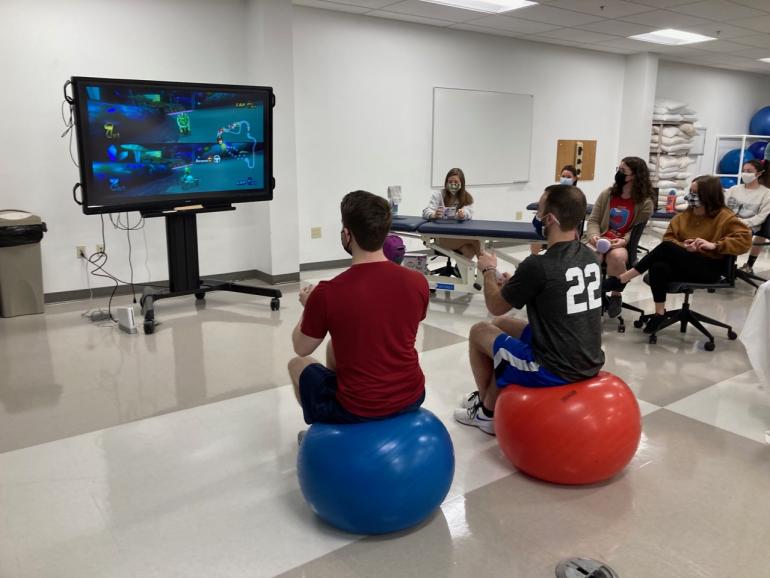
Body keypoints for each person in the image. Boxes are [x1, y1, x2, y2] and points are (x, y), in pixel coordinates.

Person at [454, 184, 605, 435]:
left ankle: (487, 412)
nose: (537, 216)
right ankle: (489, 401)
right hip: (587, 357)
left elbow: (494, 306)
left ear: (550, 219)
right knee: (503, 326)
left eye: (540, 210)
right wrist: (515, 283)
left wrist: (488, 270)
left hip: (554, 368)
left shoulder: (538, 264)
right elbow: (553, 289)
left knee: (480, 330)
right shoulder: (589, 256)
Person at [288, 190, 429, 430]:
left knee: (296, 365)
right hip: (413, 394)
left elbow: (301, 347)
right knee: (335, 346)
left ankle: (325, 429)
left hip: (359, 407)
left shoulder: (327, 292)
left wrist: (308, 306)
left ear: (346, 235)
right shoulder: (418, 281)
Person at [604, 175, 752, 334]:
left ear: (708, 196)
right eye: (691, 191)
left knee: (667, 247)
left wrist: (714, 245)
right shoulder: (683, 216)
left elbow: (745, 240)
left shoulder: (724, 216)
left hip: (708, 269)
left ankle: (623, 278)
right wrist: (684, 246)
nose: (691, 196)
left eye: (696, 193)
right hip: (685, 264)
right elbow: (669, 237)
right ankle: (659, 313)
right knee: (658, 266)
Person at [583, 157, 655, 318]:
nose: (619, 174)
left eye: (623, 171)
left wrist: (624, 240)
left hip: (620, 243)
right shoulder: (607, 194)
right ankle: (590, 295)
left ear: (635, 176)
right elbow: (593, 220)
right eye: (619, 170)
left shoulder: (645, 203)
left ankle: (616, 295)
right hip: (600, 238)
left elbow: (636, 229)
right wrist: (594, 236)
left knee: (617, 256)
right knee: (590, 255)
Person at [423, 168, 480, 259]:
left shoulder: (466, 197)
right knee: (476, 241)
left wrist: (463, 214)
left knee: (468, 249)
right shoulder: (438, 195)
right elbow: (426, 211)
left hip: (459, 235)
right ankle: (487, 270)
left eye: (456, 182)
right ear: (446, 182)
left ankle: (460, 271)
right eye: (450, 181)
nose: (453, 184)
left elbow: (469, 211)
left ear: (462, 183)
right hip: (442, 236)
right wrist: (434, 214)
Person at [724, 159, 770, 274]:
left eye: (749, 171)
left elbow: (761, 217)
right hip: (729, 222)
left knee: (732, 235)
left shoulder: (766, 193)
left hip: (748, 226)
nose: (745, 173)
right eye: (744, 171)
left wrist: (741, 222)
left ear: (759, 173)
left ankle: (727, 270)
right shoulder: (734, 189)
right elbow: (723, 208)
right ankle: (721, 267)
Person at [529, 165, 579, 256]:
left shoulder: (576, 196)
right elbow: (538, 219)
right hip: (550, 223)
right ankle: (533, 258)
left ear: (575, 178)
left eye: (568, 177)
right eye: (563, 176)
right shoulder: (553, 191)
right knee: (537, 233)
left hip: (565, 227)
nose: (565, 179)